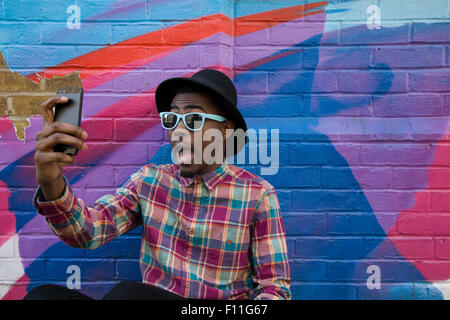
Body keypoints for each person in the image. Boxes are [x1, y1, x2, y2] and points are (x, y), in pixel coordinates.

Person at [26, 69, 291, 300]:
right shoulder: (150, 181)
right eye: (172, 119)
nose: (178, 131)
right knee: (43, 296)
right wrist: (52, 182)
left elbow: (274, 288)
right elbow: (90, 232)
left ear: (225, 130)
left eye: (193, 120)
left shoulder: (256, 195)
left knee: (129, 295)